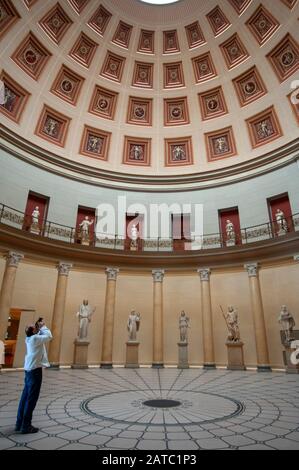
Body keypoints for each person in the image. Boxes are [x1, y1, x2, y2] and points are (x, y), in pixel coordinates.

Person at [15, 318, 52, 434]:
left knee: (24, 398)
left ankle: (19, 423)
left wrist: (38, 329)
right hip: (35, 372)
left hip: (29, 371)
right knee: (31, 399)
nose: (37, 327)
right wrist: (43, 326)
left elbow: (40, 335)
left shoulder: (30, 338)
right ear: (33, 331)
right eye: (35, 327)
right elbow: (49, 336)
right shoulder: (35, 338)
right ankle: (26, 426)